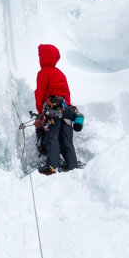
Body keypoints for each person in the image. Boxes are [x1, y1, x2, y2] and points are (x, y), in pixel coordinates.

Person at [34, 43, 79, 174]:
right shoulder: (60, 73)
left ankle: (52, 167)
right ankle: (72, 167)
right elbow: (67, 94)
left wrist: (40, 112)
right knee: (66, 140)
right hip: (68, 110)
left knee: (52, 137)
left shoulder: (43, 73)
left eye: (40, 55)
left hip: (53, 110)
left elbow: (40, 93)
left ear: (44, 57)